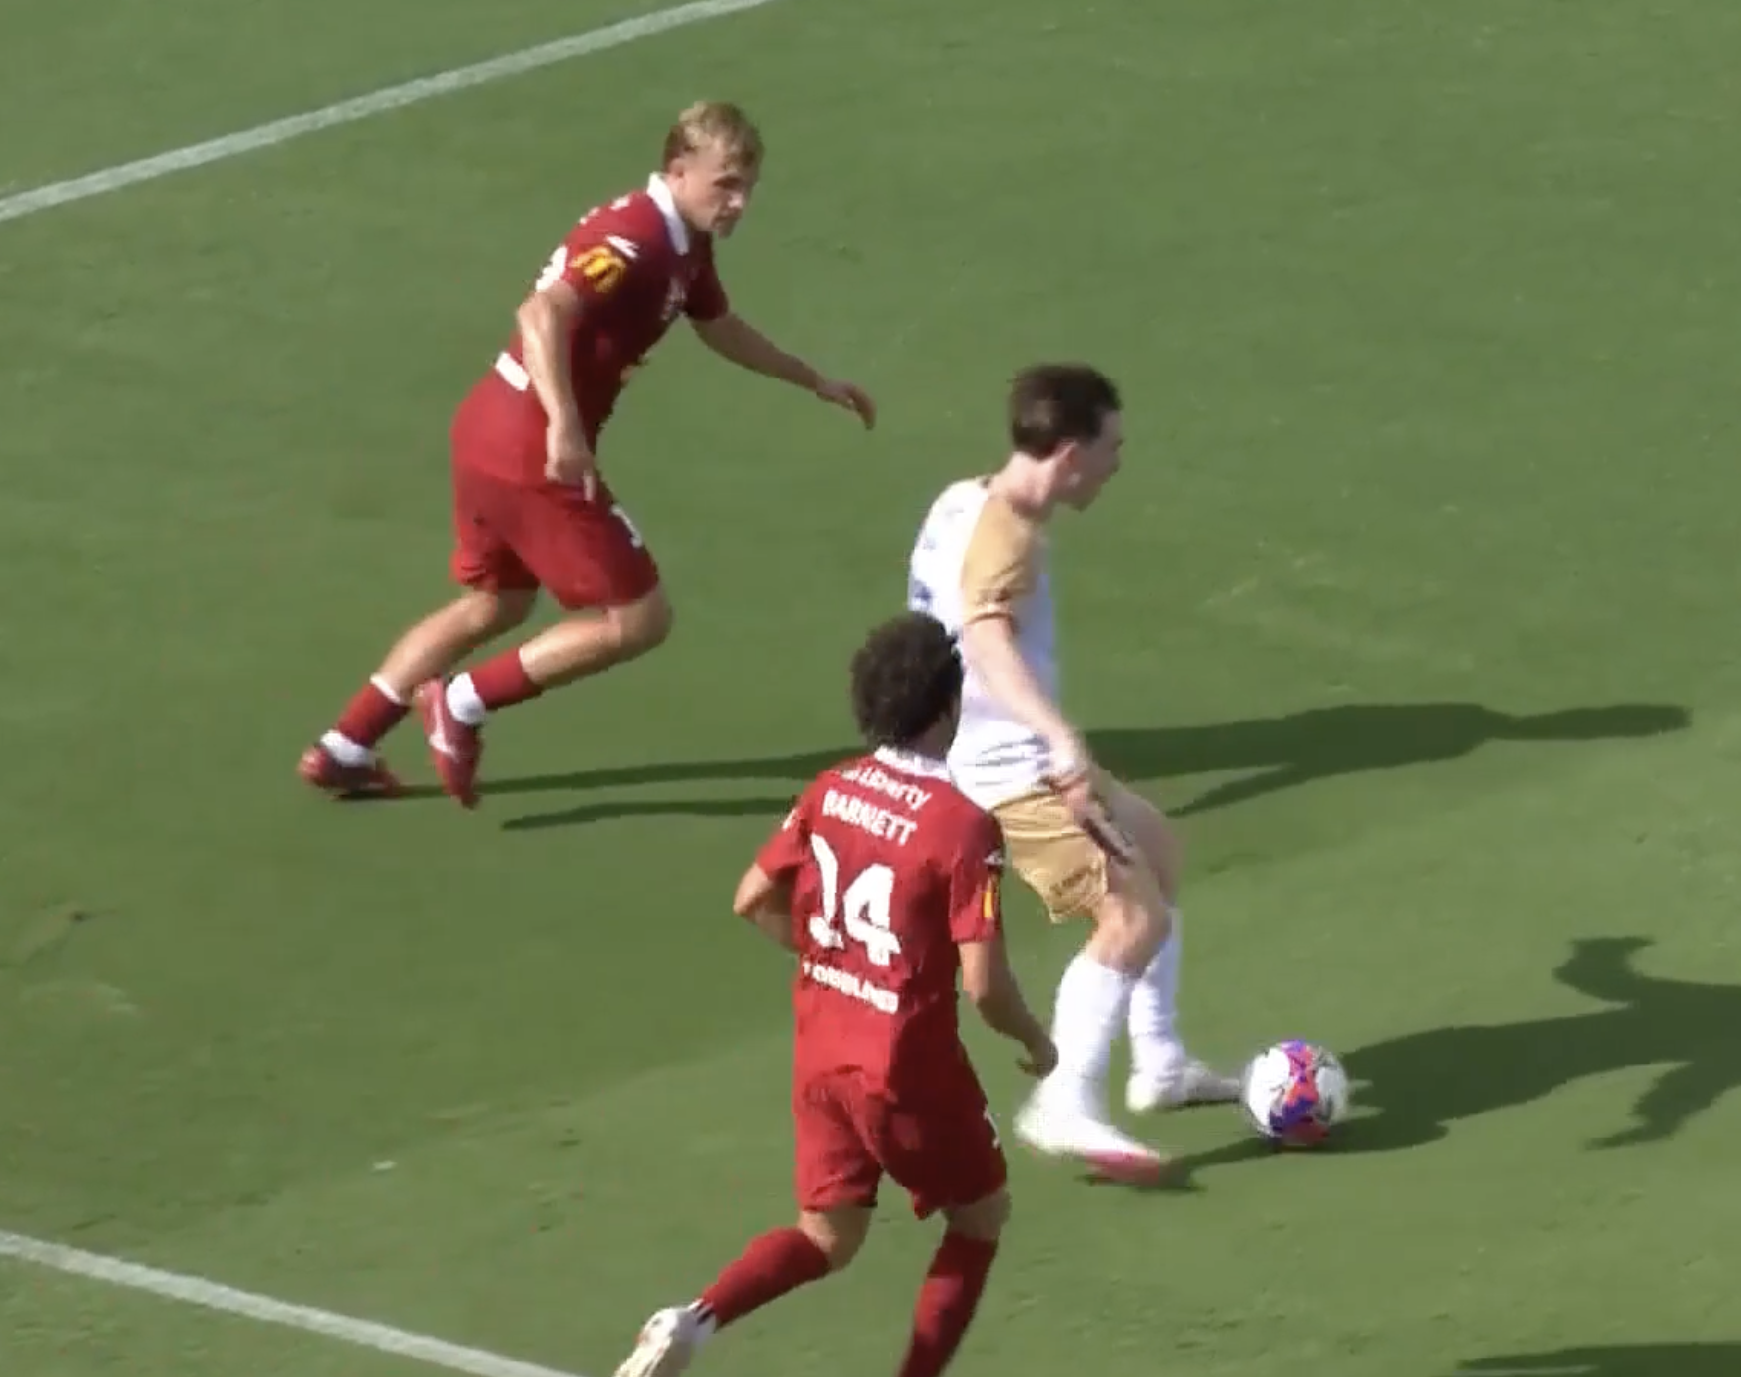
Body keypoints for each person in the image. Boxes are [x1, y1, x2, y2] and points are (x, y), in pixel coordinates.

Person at [298, 100, 876, 808]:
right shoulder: (636, 235)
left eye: (748, 187)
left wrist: (813, 379)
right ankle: (462, 702)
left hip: (488, 427)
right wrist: (565, 426)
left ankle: (346, 745)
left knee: (495, 602)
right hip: (527, 443)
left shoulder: (685, 245)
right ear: (677, 171)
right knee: (638, 617)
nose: (739, 203)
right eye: (725, 184)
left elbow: (721, 327)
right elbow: (542, 311)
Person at [612, 611, 1053, 1377]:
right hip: (905, 1066)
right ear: (947, 708)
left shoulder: (830, 788)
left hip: (822, 1047)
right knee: (980, 1217)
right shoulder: (963, 825)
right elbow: (984, 984)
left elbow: (752, 896)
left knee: (827, 1234)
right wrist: (1037, 1043)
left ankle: (695, 1318)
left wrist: (832, 957)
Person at [903, 362, 1238, 1180]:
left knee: (1158, 850)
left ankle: (1159, 1062)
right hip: (1012, 766)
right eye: (1111, 445)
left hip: (987, 745)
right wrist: (1058, 738)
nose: (1119, 462)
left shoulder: (964, 499)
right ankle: (1066, 1098)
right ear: (1069, 452)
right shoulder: (1009, 535)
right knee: (1131, 918)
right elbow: (982, 633)